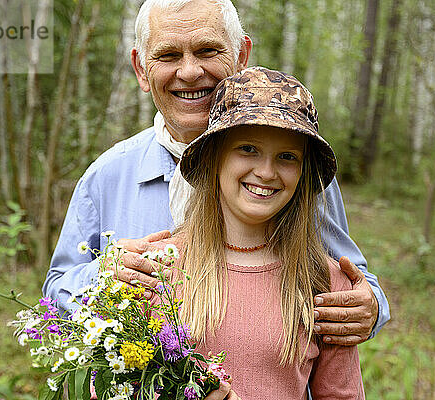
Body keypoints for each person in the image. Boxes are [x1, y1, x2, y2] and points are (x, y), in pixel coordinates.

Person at [43, 0, 389, 349]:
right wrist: (102, 279)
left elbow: (354, 282)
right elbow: (55, 296)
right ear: (141, 69)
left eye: (208, 50)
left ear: (241, 55)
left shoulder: (288, 175)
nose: (190, 72)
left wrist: (369, 308)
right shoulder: (108, 176)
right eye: (168, 56)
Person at [159, 66, 364, 399]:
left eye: (287, 157)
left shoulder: (323, 283)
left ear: (303, 173)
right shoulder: (159, 269)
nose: (266, 172)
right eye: (248, 149)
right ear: (215, 156)